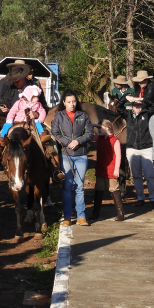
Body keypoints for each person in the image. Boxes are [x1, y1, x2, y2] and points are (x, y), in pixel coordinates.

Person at [0, 65, 63, 182]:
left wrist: (36, 114)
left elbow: (44, 107)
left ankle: (56, 170)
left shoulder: (35, 87)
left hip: (34, 123)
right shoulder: (9, 88)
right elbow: (1, 103)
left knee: (51, 142)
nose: (14, 83)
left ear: (23, 78)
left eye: (16, 81)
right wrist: (2, 109)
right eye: (13, 81)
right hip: (13, 122)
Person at [51, 91, 93, 227]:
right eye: (69, 102)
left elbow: (90, 133)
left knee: (80, 186)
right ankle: (68, 216)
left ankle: (81, 216)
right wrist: (68, 142)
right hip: (66, 155)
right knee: (67, 186)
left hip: (81, 155)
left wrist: (78, 141)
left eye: (74, 101)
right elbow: (55, 132)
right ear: (64, 102)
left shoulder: (83, 115)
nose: (72, 104)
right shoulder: (59, 116)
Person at [119, 92, 154, 207]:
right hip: (132, 149)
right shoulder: (128, 114)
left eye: (139, 105)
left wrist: (142, 98)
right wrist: (126, 97)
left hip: (147, 148)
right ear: (132, 106)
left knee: (150, 175)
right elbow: (118, 107)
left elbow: (153, 106)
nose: (137, 107)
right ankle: (140, 198)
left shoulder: (148, 114)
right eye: (135, 105)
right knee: (136, 175)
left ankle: (153, 198)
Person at [92, 119, 124, 222]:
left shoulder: (115, 140)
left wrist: (116, 169)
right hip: (101, 168)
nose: (98, 130)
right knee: (99, 189)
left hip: (111, 169)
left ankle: (121, 213)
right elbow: (90, 136)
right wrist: (94, 125)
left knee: (114, 189)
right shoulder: (99, 138)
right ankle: (95, 213)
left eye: (100, 128)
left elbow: (118, 156)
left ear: (107, 128)